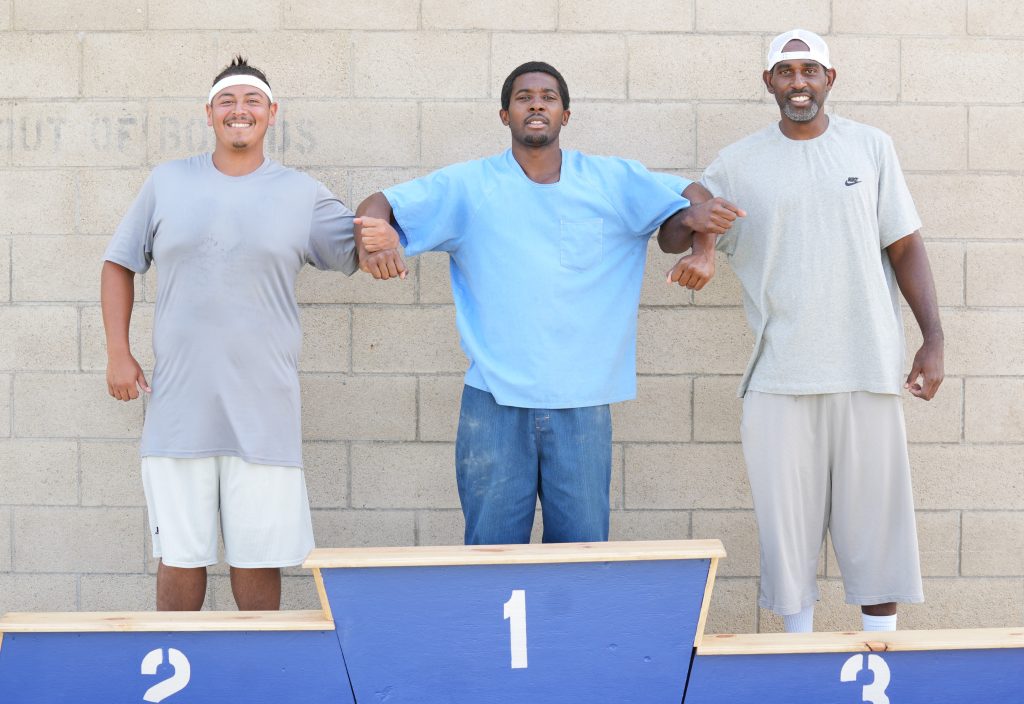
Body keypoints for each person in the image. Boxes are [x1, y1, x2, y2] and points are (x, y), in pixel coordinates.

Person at [355, 61, 742, 546]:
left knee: (580, 559)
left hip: (582, 403)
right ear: (504, 115)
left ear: (566, 114)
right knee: (492, 558)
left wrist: (703, 249)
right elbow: (378, 202)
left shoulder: (610, 180)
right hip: (493, 402)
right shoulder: (470, 186)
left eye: (548, 96)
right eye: (523, 96)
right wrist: (379, 237)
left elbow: (691, 200)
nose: (536, 103)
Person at [100, 57, 383, 610]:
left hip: (264, 413)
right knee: (180, 556)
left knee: (257, 557)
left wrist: (385, 227)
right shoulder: (167, 182)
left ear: (271, 113)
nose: (239, 111)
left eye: (252, 101)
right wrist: (118, 352)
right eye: (227, 101)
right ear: (209, 114)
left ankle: (257, 682)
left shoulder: (301, 194)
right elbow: (118, 264)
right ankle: (183, 684)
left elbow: (362, 242)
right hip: (179, 410)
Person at [701, 30, 944, 633]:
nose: (798, 82)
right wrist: (698, 234)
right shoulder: (737, 162)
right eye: (786, 72)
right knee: (788, 539)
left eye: (810, 70)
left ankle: (880, 665)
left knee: (878, 535)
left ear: (830, 79)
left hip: (868, 369)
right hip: (779, 378)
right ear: (769, 84)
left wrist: (933, 338)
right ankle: (799, 665)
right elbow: (684, 219)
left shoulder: (871, 147)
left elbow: (905, 244)